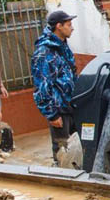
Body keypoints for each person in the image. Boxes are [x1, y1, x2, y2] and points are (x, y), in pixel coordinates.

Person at [31, 10, 79, 160]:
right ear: (59, 26)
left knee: (77, 146)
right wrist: (52, 114)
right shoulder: (44, 52)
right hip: (59, 109)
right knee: (62, 149)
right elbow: (41, 87)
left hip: (72, 104)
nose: (72, 28)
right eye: (69, 25)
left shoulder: (63, 46)